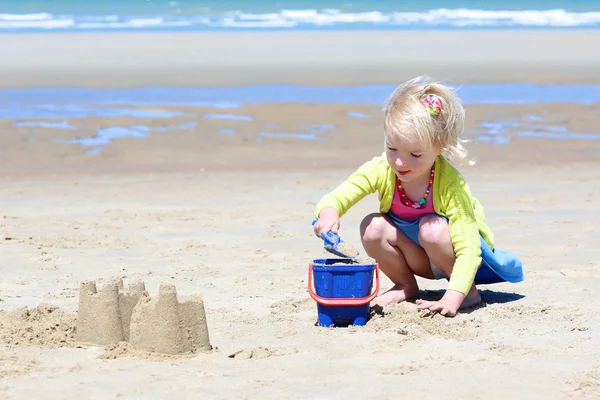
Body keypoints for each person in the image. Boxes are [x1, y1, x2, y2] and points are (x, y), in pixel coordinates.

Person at [312, 76, 524, 317]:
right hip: (415, 257)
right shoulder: (382, 169)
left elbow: (468, 249)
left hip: (456, 264)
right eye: (392, 149)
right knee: (372, 226)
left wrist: (454, 296)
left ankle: (469, 293)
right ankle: (406, 285)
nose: (400, 162)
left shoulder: (451, 185)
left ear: (440, 148)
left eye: (415, 154)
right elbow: (340, 195)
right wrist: (329, 212)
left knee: (430, 227)